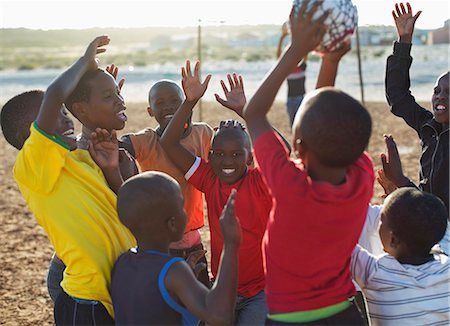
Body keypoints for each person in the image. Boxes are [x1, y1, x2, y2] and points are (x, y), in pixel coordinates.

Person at [243, 2, 374, 324]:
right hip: (346, 315)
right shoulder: (363, 177)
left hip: (289, 319)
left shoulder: (290, 187)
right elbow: (326, 119)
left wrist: (296, 49)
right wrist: (330, 60)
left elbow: (254, 113)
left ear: (298, 147)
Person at [7, 35, 137, 324]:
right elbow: (54, 95)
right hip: (87, 298)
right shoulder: (32, 168)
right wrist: (84, 62)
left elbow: (124, 206)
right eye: (56, 114)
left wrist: (112, 169)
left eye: (66, 113)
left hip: (119, 287)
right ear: (28, 138)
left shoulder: (80, 158)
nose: (66, 119)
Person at [160, 60, 272, 325]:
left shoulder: (260, 181)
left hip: (261, 291)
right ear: (209, 156)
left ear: (250, 158)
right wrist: (189, 102)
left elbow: (282, 150)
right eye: (219, 154)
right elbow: (168, 141)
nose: (227, 161)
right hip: (223, 287)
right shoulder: (209, 178)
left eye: (236, 154)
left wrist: (247, 111)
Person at [110, 171, 241, 325]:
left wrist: (182, 286)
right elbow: (220, 316)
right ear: (172, 224)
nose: (185, 212)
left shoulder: (122, 262)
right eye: (182, 206)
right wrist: (231, 244)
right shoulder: (174, 271)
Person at [120, 78, 214, 286]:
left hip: (193, 239)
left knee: (199, 302)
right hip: (158, 242)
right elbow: (116, 147)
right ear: (150, 111)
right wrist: (108, 115)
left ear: (185, 101)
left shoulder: (203, 133)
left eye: (174, 100)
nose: (169, 106)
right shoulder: (146, 140)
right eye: (160, 103)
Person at [351, 188, 449, 325]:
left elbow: (339, 244)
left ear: (393, 240)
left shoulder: (375, 273)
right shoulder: (447, 266)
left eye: (381, 221)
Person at [385, 2, 449, 213]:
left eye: (448, 93)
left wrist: (401, 182)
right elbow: (398, 96)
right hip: (426, 222)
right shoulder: (428, 127)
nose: (440, 97)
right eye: (437, 90)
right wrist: (404, 41)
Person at [277, 21, 308, 129]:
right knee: (292, 127)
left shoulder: (302, 67)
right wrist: (282, 38)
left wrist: (299, 37)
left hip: (301, 99)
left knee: (301, 125)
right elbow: (279, 57)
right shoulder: (288, 70)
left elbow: (305, 52)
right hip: (290, 99)